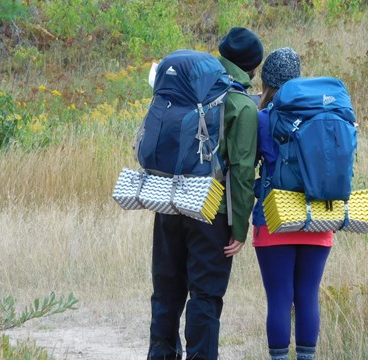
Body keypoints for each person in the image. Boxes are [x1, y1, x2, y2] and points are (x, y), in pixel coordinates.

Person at [147, 26, 263, 360]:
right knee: (205, 296)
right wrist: (240, 227)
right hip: (212, 212)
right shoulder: (241, 104)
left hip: (169, 202)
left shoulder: (187, 89)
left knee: (166, 291)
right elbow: (241, 171)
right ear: (252, 68)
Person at [253, 47, 333, 360]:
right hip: (318, 217)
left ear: (267, 82)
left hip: (274, 220)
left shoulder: (262, 119)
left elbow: (248, 169)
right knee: (308, 297)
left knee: (279, 299)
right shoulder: (324, 115)